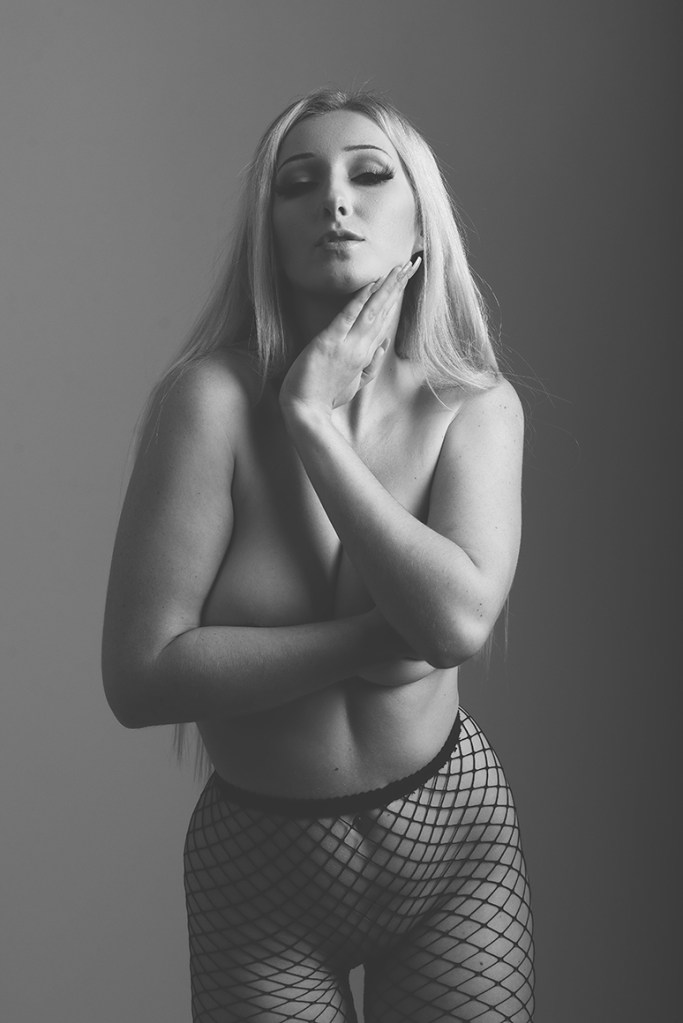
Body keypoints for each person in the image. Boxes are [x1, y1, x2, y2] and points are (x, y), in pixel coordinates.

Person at [102, 88, 534, 1022]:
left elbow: (453, 624)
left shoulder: (473, 406)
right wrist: (367, 640)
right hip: (263, 872)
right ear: (268, 228)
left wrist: (313, 421)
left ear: (419, 221)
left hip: (455, 845)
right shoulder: (207, 402)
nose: (334, 199)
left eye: (369, 175)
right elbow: (140, 677)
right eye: (297, 184)